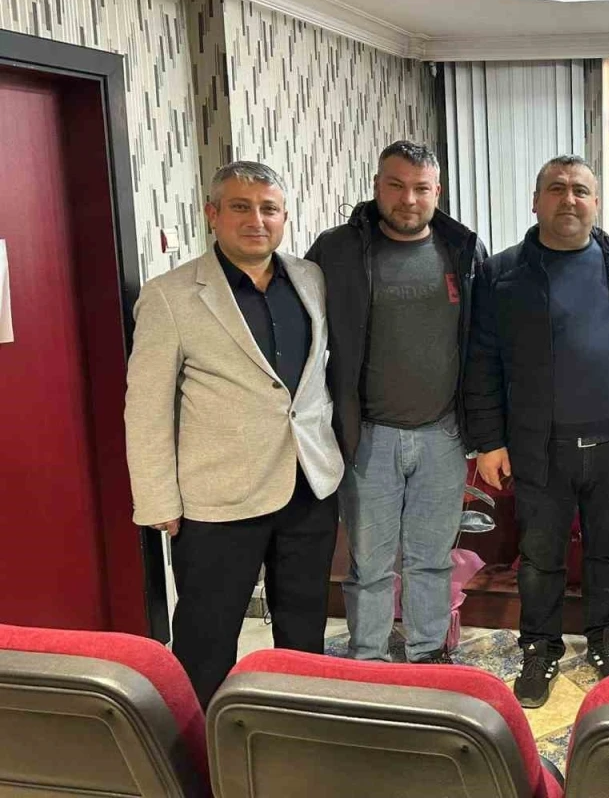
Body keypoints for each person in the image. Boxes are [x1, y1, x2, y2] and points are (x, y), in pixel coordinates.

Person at [124, 161, 342, 706]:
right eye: (241, 207)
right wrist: (157, 500)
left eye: (269, 209)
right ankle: (198, 743)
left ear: (284, 216)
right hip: (217, 497)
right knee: (207, 635)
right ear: (213, 214)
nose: (256, 220)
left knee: (304, 627)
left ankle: (297, 725)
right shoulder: (171, 295)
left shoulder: (310, 279)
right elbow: (146, 405)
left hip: (308, 484)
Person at [464, 155, 609, 708]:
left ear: (597, 202)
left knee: (608, 554)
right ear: (536, 201)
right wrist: (489, 441)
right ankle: (539, 645)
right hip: (539, 447)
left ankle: (604, 637)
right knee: (540, 557)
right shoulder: (502, 273)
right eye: (557, 188)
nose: (569, 199)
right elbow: (482, 362)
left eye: (580, 190)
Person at [306, 140, 485, 664]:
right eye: (396, 185)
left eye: (421, 188)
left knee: (432, 558)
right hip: (367, 436)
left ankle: (429, 654)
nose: (408, 199)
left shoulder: (463, 249)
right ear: (377, 185)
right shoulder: (337, 250)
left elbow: (483, 340)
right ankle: (369, 658)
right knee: (370, 564)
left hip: (443, 435)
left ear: (437, 192)